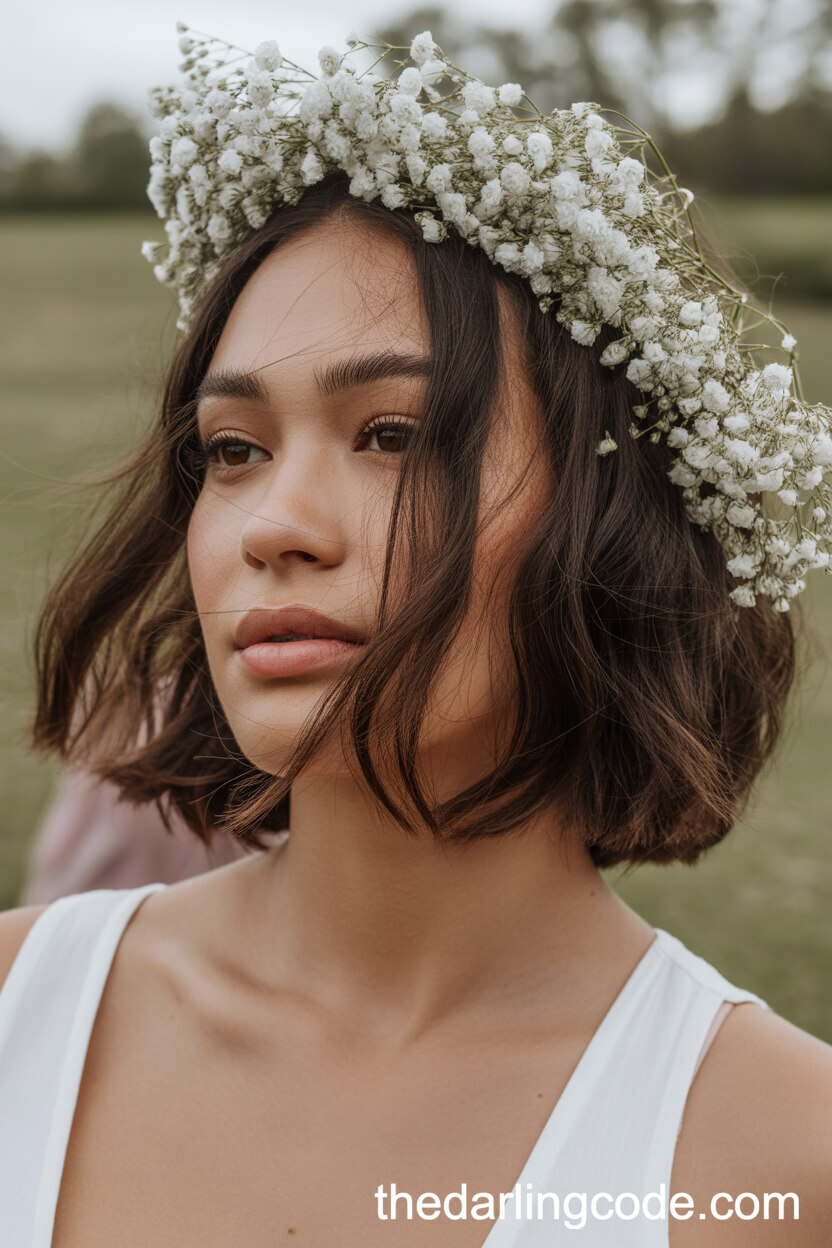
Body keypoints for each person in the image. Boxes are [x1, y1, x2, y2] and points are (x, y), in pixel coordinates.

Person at [1, 26, 831, 1247]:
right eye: (233, 450)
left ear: (607, 518)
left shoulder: (780, 1161)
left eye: (394, 436)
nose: (273, 526)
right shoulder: (15, 1010)